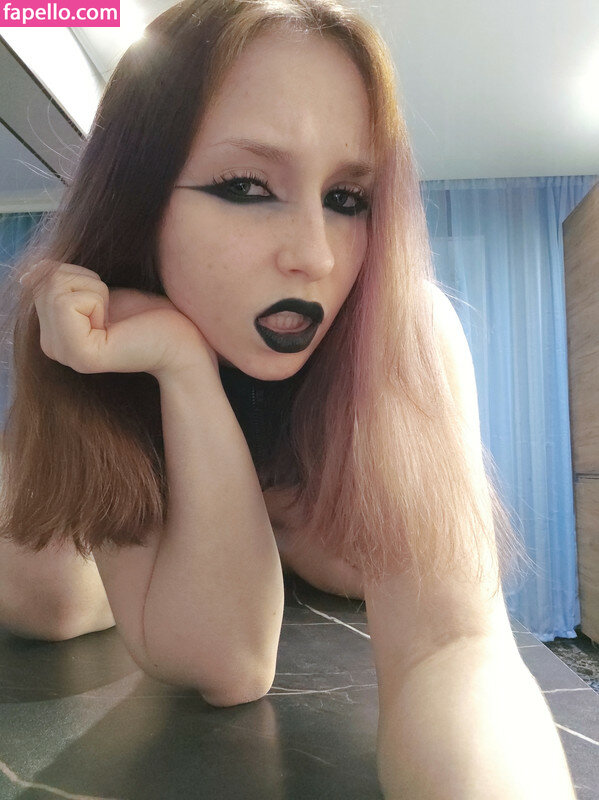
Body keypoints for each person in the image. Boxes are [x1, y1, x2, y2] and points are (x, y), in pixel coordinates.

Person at [0, 1, 577, 797]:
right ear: (138, 200)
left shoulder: (398, 333)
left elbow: (451, 646)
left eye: (346, 198)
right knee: (52, 604)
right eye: (245, 186)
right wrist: (179, 366)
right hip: (45, 579)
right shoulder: (102, 338)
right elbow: (230, 665)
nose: (315, 256)